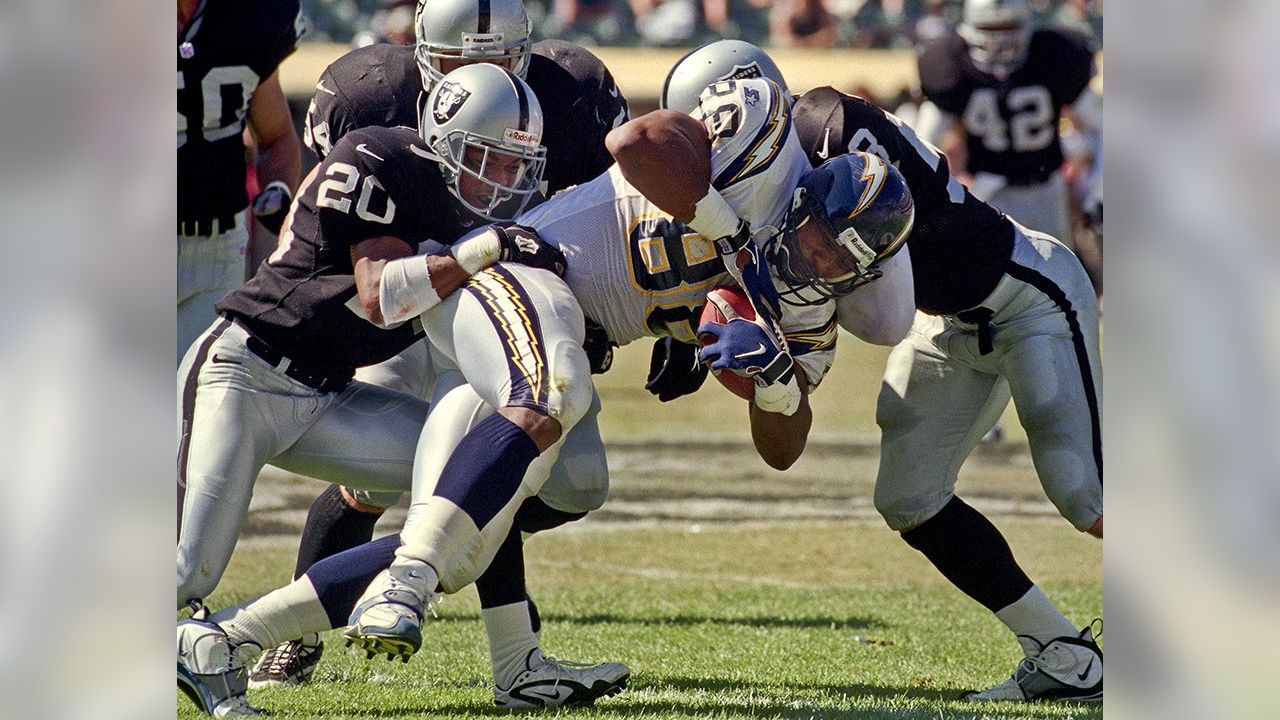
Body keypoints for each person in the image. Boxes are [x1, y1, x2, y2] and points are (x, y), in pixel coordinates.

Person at [178, 76, 915, 715]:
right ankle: (407, 581)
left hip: (565, 334)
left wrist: (779, 384)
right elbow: (637, 142)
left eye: (838, 264)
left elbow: (782, 451)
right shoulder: (764, 154)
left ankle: (229, 637)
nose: (816, 261)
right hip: (521, 277)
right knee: (548, 395)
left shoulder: (807, 306)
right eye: (819, 237)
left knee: (514, 505)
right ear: (807, 199)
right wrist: (728, 232)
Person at [662, 39, 1103, 703]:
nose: (718, 161)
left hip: (1025, 291)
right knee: (910, 498)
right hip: (946, 321)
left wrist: (770, 297)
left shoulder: (833, 130)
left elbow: (880, 308)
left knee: (1083, 490)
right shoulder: (756, 201)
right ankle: (1065, 657)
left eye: (722, 134)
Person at [253, 2, 633, 690]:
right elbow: (333, 224)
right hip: (412, 304)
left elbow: (603, 218)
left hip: (516, 309)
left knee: (570, 482)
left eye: (500, 62)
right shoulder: (370, 93)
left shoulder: (570, 94)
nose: (482, 80)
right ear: (425, 57)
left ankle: (464, 570)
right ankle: (287, 634)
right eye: (461, 64)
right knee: (375, 480)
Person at [177, 65, 575, 717]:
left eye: (515, 166)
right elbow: (381, 293)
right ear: (444, 141)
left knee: (466, 477)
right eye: (489, 160)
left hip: (326, 396)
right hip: (245, 371)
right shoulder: (385, 159)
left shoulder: (470, 206)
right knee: (188, 571)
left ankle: (517, 662)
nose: (504, 181)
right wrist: (488, 250)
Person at [177, 0, 305, 363]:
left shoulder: (249, 17)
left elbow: (276, 136)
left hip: (216, 248)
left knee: (193, 400)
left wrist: (278, 189)